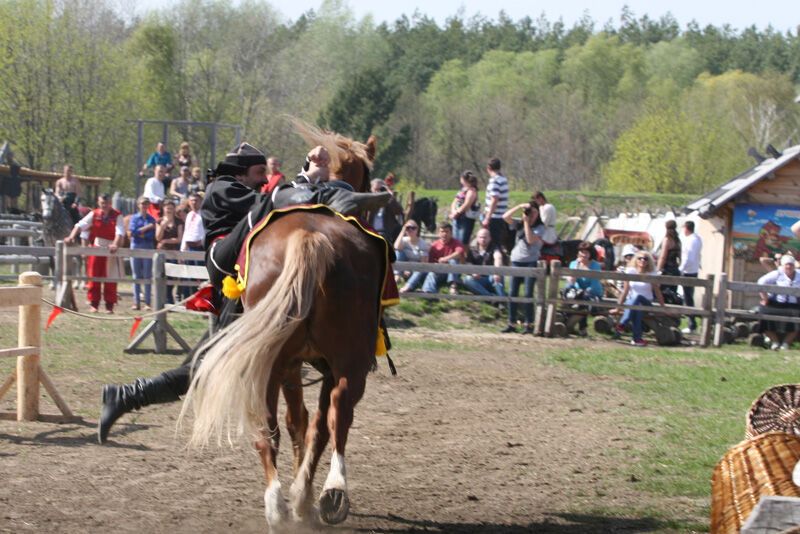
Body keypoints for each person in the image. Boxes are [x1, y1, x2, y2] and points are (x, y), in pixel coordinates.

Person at [98, 143, 393, 443]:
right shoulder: (222, 188)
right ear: (240, 174)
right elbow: (268, 202)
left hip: (244, 277)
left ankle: (122, 396)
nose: (264, 178)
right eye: (259, 172)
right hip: (225, 262)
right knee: (272, 201)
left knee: (198, 369)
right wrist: (309, 178)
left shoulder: (246, 192)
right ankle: (335, 195)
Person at [63, 194, 124, 313]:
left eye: (107, 203)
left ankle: (109, 306)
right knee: (94, 276)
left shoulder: (117, 215)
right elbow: (80, 225)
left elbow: (119, 231)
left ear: (110, 203)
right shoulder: (94, 214)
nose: (104, 205)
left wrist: (115, 244)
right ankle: (94, 304)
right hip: (97, 247)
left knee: (110, 278)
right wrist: (71, 237)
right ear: (98, 203)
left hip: (111, 247)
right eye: (102, 203)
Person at [501, 202, 545, 334]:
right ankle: (511, 322)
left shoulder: (540, 227)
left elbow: (530, 239)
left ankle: (528, 323)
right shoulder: (519, 223)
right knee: (513, 292)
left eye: (535, 212)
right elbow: (505, 217)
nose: (532, 215)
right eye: (531, 212)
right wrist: (520, 206)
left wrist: (526, 222)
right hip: (516, 260)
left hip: (530, 261)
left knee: (527, 294)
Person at [615, 251, 665, 347]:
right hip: (633, 304)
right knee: (637, 308)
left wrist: (663, 307)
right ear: (636, 260)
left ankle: (623, 323)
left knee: (637, 297)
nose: (642, 260)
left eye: (645, 259)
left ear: (648, 261)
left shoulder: (652, 273)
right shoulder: (630, 271)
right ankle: (637, 339)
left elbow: (657, 292)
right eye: (640, 258)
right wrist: (618, 307)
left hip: (646, 302)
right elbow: (625, 291)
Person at [757, 254, 800, 350]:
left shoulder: (799, 275)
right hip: (776, 304)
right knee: (764, 313)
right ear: (783, 265)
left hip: (794, 305)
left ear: (794, 265)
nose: (789, 267)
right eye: (786, 265)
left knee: (798, 316)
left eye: (791, 265)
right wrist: (765, 299)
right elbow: (761, 282)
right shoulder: (777, 273)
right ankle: (775, 342)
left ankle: (786, 343)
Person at [564, 241, 604, 336]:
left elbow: (594, 285)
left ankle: (577, 327)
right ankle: (577, 327)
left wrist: (582, 292)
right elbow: (570, 284)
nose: (583, 254)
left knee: (583, 301)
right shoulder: (573, 264)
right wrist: (572, 280)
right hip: (576, 293)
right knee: (571, 298)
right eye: (581, 252)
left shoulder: (595, 265)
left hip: (593, 294)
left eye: (586, 252)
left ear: (591, 254)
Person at [419, 221, 465, 294]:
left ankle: (453, 285)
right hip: (440, 272)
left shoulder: (456, 242)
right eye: (442, 231)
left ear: (451, 233)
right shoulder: (434, 245)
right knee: (431, 273)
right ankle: (429, 292)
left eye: (447, 231)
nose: (444, 234)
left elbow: (460, 253)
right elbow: (430, 263)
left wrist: (446, 258)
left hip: (454, 272)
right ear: (439, 233)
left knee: (453, 261)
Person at [128, 197, 157, 311]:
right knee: (136, 275)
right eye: (142, 204)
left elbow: (151, 236)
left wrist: (141, 232)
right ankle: (136, 302)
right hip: (135, 247)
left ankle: (148, 302)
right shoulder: (134, 218)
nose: (144, 206)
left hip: (147, 247)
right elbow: (132, 232)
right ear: (138, 205)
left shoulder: (151, 219)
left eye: (146, 204)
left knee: (147, 275)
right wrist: (146, 228)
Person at [463, 227, 505, 298]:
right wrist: (473, 273)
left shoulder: (494, 247)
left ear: (490, 238)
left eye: (485, 237)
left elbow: (498, 257)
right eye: (481, 237)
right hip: (479, 279)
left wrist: (496, 272)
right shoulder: (472, 248)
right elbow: (468, 263)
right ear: (477, 238)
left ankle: (501, 300)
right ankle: (490, 297)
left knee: (499, 276)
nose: (483, 239)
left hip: (491, 277)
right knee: (467, 280)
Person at [156, 198, 183, 305]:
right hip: (162, 253)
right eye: (167, 208)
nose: (169, 210)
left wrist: (165, 241)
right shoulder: (159, 221)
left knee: (173, 276)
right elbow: (158, 237)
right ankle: (166, 299)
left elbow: (179, 238)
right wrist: (163, 225)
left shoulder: (179, 222)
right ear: (163, 209)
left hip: (174, 252)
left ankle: (169, 297)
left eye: (171, 208)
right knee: (162, 275)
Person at [179, 192, 205, 299]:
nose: (194, 202)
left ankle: (203, 300)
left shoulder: (203, 215)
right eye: (192, 200)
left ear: (201, 202)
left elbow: (205, 231)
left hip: (199, 247)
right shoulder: (189, 215)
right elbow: (186, 232)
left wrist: (202, 242)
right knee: (189, 275)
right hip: (189, 247)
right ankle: (190, 299)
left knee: (201, 275)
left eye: (196, 200)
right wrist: (182, 250)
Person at [679, 220, 702, 334]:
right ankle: (691, 322)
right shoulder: (697, 239)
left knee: (688, 298)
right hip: (693, 270)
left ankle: (692, 324)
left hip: (688, 271)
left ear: (686, 228)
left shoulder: (691, 240)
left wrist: (681, 269)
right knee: (688, 297)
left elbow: (689, 257)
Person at [482, 157, 509, 251]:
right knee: (497, 242)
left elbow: (495, 199)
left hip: (494, 217)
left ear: (488, 168)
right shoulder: (503, 179)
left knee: (493, 243)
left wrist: (487, 217)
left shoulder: (494, 181)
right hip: (501, 216)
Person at [366, 179, 404, 244]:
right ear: (371, 189)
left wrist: (390, 195)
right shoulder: (367, 202)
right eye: (376, 189)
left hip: (386, 234)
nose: (378, 192)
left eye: (381, 189)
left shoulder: (389, 202)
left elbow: (399, 211)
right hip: (370, 233)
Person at [449, 170, 480, 247]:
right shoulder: (462, 190)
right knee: (455, 240)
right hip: (457, 218)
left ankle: (464, 257)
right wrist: (453, 212)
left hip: (466, 218)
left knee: (463, 241)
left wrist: (457, 213)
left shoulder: (472, 190)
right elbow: (455, 201)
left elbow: (467, 204)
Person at [656, 220, 682, 300]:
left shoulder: (667, 240)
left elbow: (663, 257)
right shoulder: (678, 240)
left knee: (664, 293)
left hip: (667, 270)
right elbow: (680, 257)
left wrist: (658, 270)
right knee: (673, 293)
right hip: (675, 270)